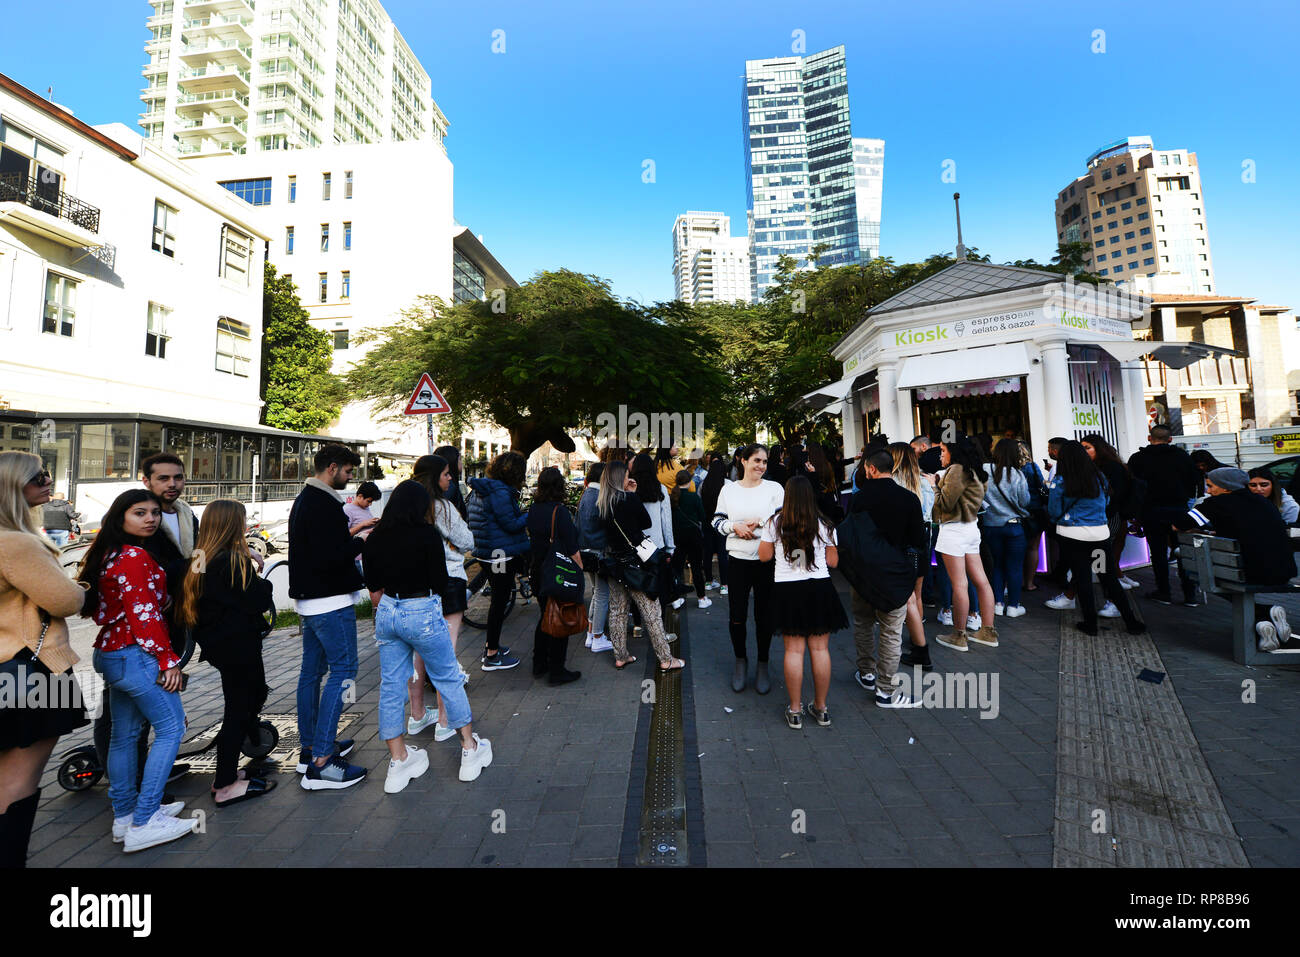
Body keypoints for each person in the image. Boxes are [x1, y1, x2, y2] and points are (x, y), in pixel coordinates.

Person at [78, 489, 194, 852]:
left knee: (124, 736)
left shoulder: (108, 554)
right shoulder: (133, 557)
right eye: (139, 513)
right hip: (137, 654)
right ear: (120, 517)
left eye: (155, 513)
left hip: (112, 653)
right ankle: (145, 819)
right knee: (172, 728)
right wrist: (167, 659)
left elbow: (104, 611)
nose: (150, 518)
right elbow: (144, 614)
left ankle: (125, 817)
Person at [364, 481, 493, 789]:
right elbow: (439, 579)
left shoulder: (376, 537)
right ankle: (469, 749)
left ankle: (399, 760)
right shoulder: (426, 534)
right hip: (421, 609)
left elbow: (372, 583)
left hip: (388, 612)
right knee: (448, 677)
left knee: (392, 686)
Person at [0, 453, 90, 867]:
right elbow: (65, 600)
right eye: (38, 476)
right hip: (33, 669)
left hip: (8, 670)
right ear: (12, 486)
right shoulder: (16, 542)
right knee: (20, 779)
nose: (48, 481)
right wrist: (80, 586)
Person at [175, 500, 277, 808]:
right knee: (241, 708)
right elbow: (258, 599)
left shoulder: (200, 556)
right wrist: (265, 581)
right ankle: (224, 784)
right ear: (234, 524)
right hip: (239, 644)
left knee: (244, 700)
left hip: (217, 644)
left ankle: (230, 770)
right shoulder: (234, 560)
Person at [288, 444, 367, 790]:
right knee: (344, 670)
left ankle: (310, 749)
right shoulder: (325, 505)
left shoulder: (306, 499)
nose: (351, 479)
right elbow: (334, 557)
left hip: (310, 603)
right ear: (332, 467)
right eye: (349, 472)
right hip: (330, 602)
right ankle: (321, 761)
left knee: (311, 673)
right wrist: (361, 540)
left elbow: (318, 551)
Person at [1162, 467, 1298, 651]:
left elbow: (1179, 525)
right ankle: (1262, 622)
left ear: (1226, 487)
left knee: (1204, 576)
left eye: (1211, 486)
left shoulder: (1215, 503)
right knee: (1227, 568)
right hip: (1284, 572)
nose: (1208, 491)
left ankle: (1264, 612)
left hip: (1249, 573)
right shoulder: (1263, 501)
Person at [758, 475, 848, 728]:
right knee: (820, 650)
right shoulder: (825, 524)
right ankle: (821, 708)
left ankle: (795, 710)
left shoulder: (775, 523)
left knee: (793, 651)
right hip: (819, 589)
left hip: (788, 590)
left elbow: (764, 557)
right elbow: (833, 562)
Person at [847, 451, 928, 707]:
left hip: (863, 573)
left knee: (863, 622)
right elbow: (918, 540)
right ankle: (885, 690)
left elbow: (851, 537)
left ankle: (866, 672)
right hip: (895, 574)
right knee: (891, 631)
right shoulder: (908, 498)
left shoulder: (859, 499)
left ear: (871, 469)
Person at [1046, 441, 1144, 637]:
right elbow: (1106, 502)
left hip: (1072, 537)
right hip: (1098, 535)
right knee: (1107, 577)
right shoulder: (1099, 477)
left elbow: (1054, 510)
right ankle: (1131, 621)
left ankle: (1090, 624)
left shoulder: (1062, 480)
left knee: (1082, 578)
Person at [711, 444, 785, 693]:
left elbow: (783, 518)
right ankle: (740, 660)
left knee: (764, 616)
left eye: (764, 461)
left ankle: (763, 663)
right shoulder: (728, 490)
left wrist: (761, 522)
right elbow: (717, 521)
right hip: (738, 561)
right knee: (737, 615)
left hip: (767, 561)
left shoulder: (775, 489)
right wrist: (735, 527)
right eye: (756, 460)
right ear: (742, 461)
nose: (761, 466)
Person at [410, 454, 474, 739]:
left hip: (418, 584)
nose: (450, 479)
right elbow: (467, 541)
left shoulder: (407, 506)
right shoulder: (443, 507)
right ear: (435, 476)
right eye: (446, 474)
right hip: (449, 581)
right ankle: (445, 721)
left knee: (419, 653)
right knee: (446, 652)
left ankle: (417, 715)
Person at [598, 459, 684, 672]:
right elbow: (646, 523)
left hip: (614, 564)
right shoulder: (628, 499)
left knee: (617, 610)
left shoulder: (602, 503)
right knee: (651, 610)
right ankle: (666, 659)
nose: (630, 476)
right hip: (635, 564)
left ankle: (621, 656)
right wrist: (633, 495)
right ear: (621, 478)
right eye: (626, 474)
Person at [933, 434, 999, 652]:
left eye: (943, 450)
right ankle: (987, 631)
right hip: (972, 529)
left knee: (959, 584)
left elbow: (945, 504)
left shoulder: (956, 470)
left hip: (953, 530)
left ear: (954, 451)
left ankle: (959, 635)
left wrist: (935, 485)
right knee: (981, 581)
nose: (940, 454)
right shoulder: (977, 472)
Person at [466, 451, 529, 671]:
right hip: (500, 554)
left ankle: (492, 646)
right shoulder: (500, 493)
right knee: (499, 603)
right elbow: (511, 524)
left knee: (499, 601)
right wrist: (529, 515)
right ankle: (491, 655)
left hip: (486, 551)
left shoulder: (482, 489)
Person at [1127, 425, 1199, 607]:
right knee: (1183, 551)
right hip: (1179, 510)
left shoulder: (1138, 459)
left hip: (1151, 511)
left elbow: (1133, 487)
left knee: (1158, 553)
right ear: (1170, 439)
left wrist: (1135, 512)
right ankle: (1190, 594)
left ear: (1149, 438)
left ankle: (1164, 592)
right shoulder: (1182, 457)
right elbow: (1194, 482)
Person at [526, 467, 584, 685]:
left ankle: (539, 663)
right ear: (560, 486)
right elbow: (572, 548)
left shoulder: (534, 509)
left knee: (545, 615)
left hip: (538, 570)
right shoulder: (559, 512)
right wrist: (579, 573)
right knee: (560, 616)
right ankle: (557, 671)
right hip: (558, 573)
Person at [888, 442, 935, 671]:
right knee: (916, 596)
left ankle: (920, 648)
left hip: (903, 544)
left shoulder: (893, 483)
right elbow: (930, 512)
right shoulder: (923, 481)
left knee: (908, 599)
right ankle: (918, 637)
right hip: (922, 542)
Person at [1081, 433, 1140, 604]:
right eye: (1082, 448)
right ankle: (1112, 598)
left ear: (1098, 449)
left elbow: (1115, 495)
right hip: (1104, 519)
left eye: (1087, 447)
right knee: (1099, 562)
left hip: (1106, 519)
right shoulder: (1100, 466)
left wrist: (1105, 512)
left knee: (1101, 562)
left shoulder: (1110, 468)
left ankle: (1113, 602)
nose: (1084, 451)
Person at [981, 438, 1031, 618]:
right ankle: (1013, 606)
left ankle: (998, 603)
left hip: (991, 525)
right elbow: (1025, 501)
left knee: (997, 566)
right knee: (1015, 567)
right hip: (1013, 527)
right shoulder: (1017, 475)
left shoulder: (985, 470)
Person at [630, 453, 677, 628]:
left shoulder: (629, 489)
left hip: (635, 545)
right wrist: (670, 546)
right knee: (659, 587)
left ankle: (637, 625)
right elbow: (667, 521)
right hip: (656, 545)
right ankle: (659, 626)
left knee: (637, 585)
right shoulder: (661, 489)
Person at [577, 462, 613, 654]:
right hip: (598, 552)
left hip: (585, 552)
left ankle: (592, 633)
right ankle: (598, 636)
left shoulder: (585, 495)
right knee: (602, 595)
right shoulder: (599, 497)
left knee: (596, 592)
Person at [670, 469, 710, 608]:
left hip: (677, 537)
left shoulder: (672, 497)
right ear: (689, 481)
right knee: (697, 567)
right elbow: (702, 517)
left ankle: (675, 598)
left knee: (676, 568)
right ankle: (701, 598)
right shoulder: (694, 497)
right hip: (694, 536)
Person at [1019, 442, 1047, 593]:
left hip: (1017, 512)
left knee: (1016, 549)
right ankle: (1029, 583)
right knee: (1033, 548)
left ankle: (1016, 581)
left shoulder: (1008, 470)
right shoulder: (1033, 467)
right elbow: (1042, 487)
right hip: (1035, 512)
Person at [700, 458, 731, 595]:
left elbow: (700, 502)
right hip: (723, 523)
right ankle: (724, 584)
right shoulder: (728, 484)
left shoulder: (703, 484)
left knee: (707, 553)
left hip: (707, 521)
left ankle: (708, 581)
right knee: (723, 553)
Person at [803, 442, 845, 524]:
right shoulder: (828, 465)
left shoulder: (809, 468)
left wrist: (812, 473)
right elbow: (832, 482)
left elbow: (813, 487)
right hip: (829, 499)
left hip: (817, 503)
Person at [433, 445, 468, 517]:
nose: (462, 463)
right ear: (453, 461)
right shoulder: (448, 485)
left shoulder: (438, 483)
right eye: (460, 459)